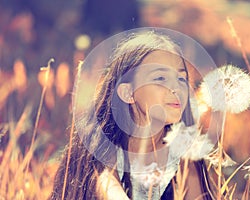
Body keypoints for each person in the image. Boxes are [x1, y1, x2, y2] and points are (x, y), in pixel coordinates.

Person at [50, 30, 213, 200]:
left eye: (181, 79)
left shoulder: (184, 156)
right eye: (160, 78)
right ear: (128, 92)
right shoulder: (103, 157)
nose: (176, 88)